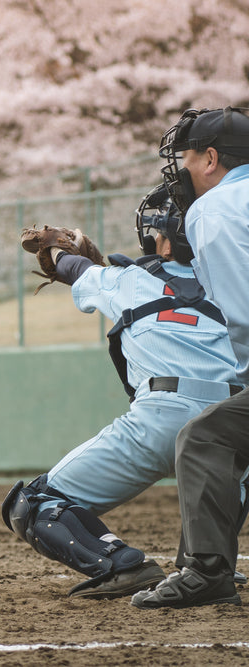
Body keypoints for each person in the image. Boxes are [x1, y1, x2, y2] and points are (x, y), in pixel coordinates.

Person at [3, 188, 242, 600]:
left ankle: (120, 563)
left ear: (162, 240)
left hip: (163, 416)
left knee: (33, 503)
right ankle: (208, 565)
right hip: (236, 420)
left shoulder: (128, 279)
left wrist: (61, 247)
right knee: (224, 465)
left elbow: (72, 266)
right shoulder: (236, 284)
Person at [132, 106, 249, 609]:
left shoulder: (217, 208)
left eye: (184, 157)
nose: (178, 168)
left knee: (206, 437)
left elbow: (242, 310)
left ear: (211, 158)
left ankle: (206, 573)